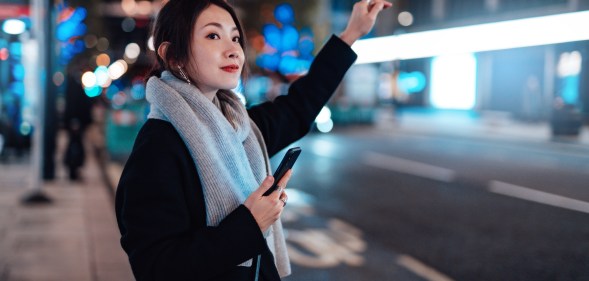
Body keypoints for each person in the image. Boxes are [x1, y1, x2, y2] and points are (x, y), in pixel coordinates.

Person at [115, 0, 391, 280]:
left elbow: (300, 105)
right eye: (213, 35)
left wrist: (352, 33)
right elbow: (156, 267)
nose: (234, 49)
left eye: (235, 37)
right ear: (173, 55)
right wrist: (250, 224)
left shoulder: (240, 127)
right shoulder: (158, 148)